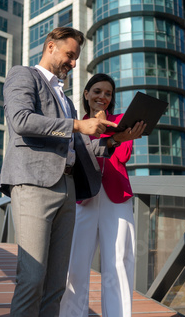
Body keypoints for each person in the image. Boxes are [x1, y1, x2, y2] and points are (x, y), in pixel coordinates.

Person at [0, 28, 145, 317]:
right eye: (70, 55)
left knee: (55, 284)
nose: (74, 63)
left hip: (68, 189)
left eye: (76, 58)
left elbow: (82, 151)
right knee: (32, 278)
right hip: (34, 184)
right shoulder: (23, 74)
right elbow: (21, 120)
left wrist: (117, 139)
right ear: (51, 46)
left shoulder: (64, 100)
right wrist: (78, 126)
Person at [59, 73, 143, 317]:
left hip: (117, 199)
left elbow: (123, 156)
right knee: (74, 266)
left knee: (118, 264)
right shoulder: (77, 125)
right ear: (86, 94)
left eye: (108, 93)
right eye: (97, 91)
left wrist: (111, 131)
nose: (102, 97)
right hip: (83, 198)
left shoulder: (121, 121)